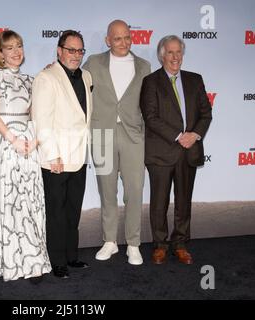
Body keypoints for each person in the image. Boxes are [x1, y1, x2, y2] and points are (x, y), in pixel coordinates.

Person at [0, 30, 51, 282]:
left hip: (28, 145)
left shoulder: (32, 80)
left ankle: (30, 258)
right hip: (4, 144)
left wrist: (33, 141)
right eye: (10, 48)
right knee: (7, 201)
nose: (16, 52)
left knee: (27, 201)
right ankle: (6, 260)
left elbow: (37, 114)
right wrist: (13, 139)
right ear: (1, 53)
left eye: (19, 46)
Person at [83, 20, 151, 265]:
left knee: (134, 191)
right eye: (118, 38)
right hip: (102, 133)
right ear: (108, 40)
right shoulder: (92, 62)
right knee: (107, 191)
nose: (123, 42)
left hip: (134, 135)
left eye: (127, 37)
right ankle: (109, 241)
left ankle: (133, 244)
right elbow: (75, 84)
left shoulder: (145, 66)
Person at [140, 35, 212, 265]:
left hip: (188, 151)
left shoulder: (195, 79)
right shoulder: (151, 81)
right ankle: (160, 245)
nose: (175, 57)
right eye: (170, 52)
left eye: (178, 52)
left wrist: (195, 135)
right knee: (159, 203)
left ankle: (180, 244)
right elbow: (150, 117)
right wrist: (179, 136)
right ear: (162, 55)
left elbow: (205, 114)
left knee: (184, 202)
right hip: (161, 152)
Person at [32, 30, 93, 278]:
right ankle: (56, 261)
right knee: (56, 213)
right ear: (59, 50)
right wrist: (52, 154)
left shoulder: (87, 75)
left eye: (80, 51)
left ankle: (71, 256)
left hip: (79, 156)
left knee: (73, 210)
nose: (76, 55)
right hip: (56, 158)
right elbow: (42, 120)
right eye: (71, 50)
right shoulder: (46, 78)